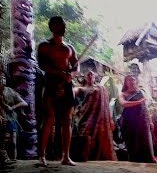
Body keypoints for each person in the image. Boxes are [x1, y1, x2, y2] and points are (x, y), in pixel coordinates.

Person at [37, 16, 79, 166]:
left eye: (64, 24)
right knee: (49, 118)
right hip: (51, 83)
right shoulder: (44, 46)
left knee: (67, 120)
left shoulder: (70, 48)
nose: (64, 27)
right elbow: (42, 65)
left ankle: (66, 156)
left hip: (67, 85)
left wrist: (71, 75)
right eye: (61, 25)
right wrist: (60, 73)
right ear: (53, 27)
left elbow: (76, 66)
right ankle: (42, 155)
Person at [73, 70, 117, 160]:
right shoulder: (81, 88)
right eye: (88, 74)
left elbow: (106, 106)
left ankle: (100, 157)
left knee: (100, 137)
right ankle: (86, 155)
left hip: (101, 119)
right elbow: (73, 93)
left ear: (95, 77)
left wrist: (110, 119)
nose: (90, 76)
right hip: (85, 117)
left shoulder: (101, 89)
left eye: (92, 75)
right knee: (85, 135)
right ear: (85, 77)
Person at [119, 75, 155, 163]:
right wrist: (138, 102)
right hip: (129, 122)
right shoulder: (123, 94)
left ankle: (149, 162)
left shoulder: (140, 93)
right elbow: (124, 103)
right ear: (126, 82)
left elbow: (145, 107)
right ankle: (134, 164)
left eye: (133, 80)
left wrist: (150, 121)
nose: (132, 81)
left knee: (146, 143)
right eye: (129, 80)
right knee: (132, 143)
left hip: (142, 121)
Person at [0, 78, 28, 163]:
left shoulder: (10, 91)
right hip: (1, 118)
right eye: (1, 78)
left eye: (4, 78)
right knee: (2, 141)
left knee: (13, 142)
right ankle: (5, 159)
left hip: (11, 118)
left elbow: (24, 103)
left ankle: (14, 159)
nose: (2, 80)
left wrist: (12, 107)